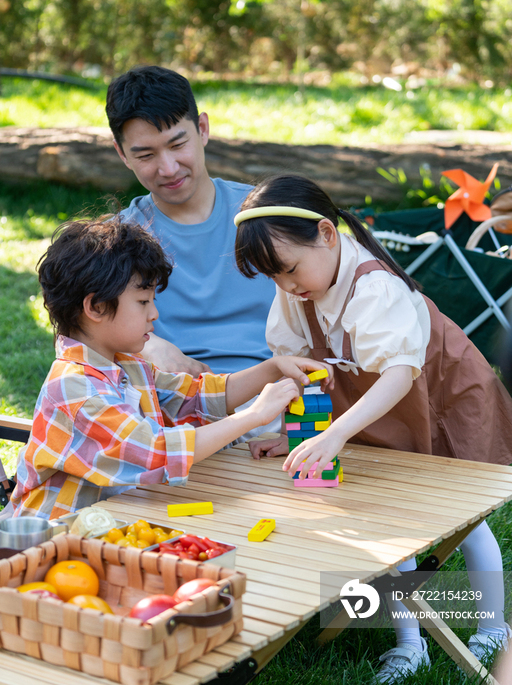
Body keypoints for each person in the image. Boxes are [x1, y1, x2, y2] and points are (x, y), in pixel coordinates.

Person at [233, 173, 512, 684]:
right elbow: (293, 364)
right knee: (387, 525)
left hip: (438, 400)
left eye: (290, 270)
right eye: (274, 278)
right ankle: (410, 642)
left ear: (326, 233)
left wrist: (336, 433)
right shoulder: (298, 291)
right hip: (376, 409)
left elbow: (401, 374)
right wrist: (288, 429)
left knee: (467, 519)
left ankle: (495, 625)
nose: (287, 287)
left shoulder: (373, 287)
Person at [10, 216, 331, 520]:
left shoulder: (127, 367)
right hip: (45, 541)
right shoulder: (73, 389)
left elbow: (198, 397)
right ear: (95, 306)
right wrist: (254, 416)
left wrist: (274, 368)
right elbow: (155, 452)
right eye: (142, 302)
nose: (154, 315)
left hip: (107, 525)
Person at [105, 65, 276, 380]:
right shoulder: (117, 242)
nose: (168, 169)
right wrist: (147, 347)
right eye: (145, 156)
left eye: (177, 144)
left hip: (278, 391)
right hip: (174, 402)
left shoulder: (268, 214)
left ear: (203, 129)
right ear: (122, 155)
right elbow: (83, 329)